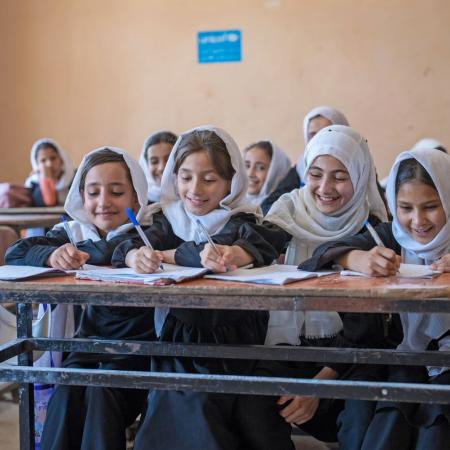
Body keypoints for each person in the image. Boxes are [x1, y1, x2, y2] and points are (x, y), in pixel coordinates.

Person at [112, 125, 280, 450]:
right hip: (177, 337)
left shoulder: (243, 219)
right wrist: (136, 255)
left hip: (234, 342)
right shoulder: (166, 218)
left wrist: (167, 255)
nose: (195, 189)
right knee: (175, 398)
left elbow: (215, 252)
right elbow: (123, 244)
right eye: (186, 177)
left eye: (209, 179)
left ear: (231, 182)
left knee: (201, 401)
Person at [234, 125, 391, 450]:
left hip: (348, 362)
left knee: (363, 412)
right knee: (250, 405)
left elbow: (368, 331)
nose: (325, 187)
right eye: (316, 174)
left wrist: (317, 387)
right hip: (286, 351)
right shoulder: (287, 212)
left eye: (340, 176)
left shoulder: (373, 230)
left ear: (361, 177)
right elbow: (258, 243)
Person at [6, 147, 156, 450]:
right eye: (93, 192)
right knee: (67, 390)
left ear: (137, 198)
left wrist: (106, 253)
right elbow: (15, 252)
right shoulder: (74, 232)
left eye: (116, 192)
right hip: (87, 348)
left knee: (101, 394)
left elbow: (108, 250)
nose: (103, 202)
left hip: (140, 352)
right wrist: (51, 255)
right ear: (81, 198)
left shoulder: (153, 234)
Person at [310, 147, 450, 449]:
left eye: (431, 206)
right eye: (405, 207)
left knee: (437, 420)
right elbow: (320, 255)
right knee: (391, 413)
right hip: (406, 358)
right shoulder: (390, 236)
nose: (418, 220)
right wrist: (356, 258)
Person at [261, 106, 349, 214]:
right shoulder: (301, 168)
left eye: (326, 132)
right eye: (313, 135)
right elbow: (268, 207)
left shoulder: (358, 167)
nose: (318, 139)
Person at [24, 138, 75, 236]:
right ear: (36, 164)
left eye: (53, 158)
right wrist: (45, 179)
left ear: (61, 159)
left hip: (70, 231)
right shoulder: (33, 184)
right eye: (43, 160)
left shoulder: (74, 178)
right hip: (41, 233)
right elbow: (48, 202)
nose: (49, 164)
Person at [244, 140, 291, 206]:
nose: (250, 174)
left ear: (275, 173)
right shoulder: (232, 203)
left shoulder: (281, 209)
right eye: (247, 166)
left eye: (260, 168)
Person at [138, 130, 177, 203]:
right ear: (146, 166)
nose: (161, 167)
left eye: (169, 160)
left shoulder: (195, 198)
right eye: (154, 162)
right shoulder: (140, 205)